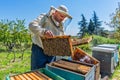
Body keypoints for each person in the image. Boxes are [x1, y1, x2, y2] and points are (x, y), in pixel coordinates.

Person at [29, 5, 72, 70]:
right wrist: (44, 32)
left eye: (64, 18)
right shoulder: (45, 17)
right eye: (61, 16)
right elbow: (31, 25)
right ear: (55, 12)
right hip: (39, 51)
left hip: (52, 53)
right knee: (37, 73)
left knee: (49, 73)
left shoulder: (61, 25)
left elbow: (62, 38)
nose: (62, 19)